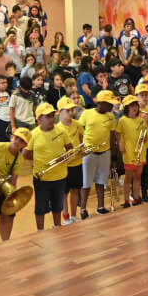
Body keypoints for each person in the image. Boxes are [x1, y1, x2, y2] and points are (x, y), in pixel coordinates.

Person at [0, 127, 28, 242]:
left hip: (6, 184)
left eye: (22, 141)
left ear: (25, 145)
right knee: (2, 215)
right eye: (17, 138)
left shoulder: (19, 159)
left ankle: (6, 240)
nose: (17, 142)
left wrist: (12, 195)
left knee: (10, 214)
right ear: (12, 137)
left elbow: (14, 180)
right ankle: (4, 240)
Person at [29, 103, 69, 230]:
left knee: (58, 206)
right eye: (48, 116)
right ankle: (40, 231)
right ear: (39, 119)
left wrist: (65, 156)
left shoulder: (61, 131)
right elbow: (26, 154)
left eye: (52, 116)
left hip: (60, 176)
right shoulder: (33, 134)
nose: (52, 119)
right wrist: (40, 160)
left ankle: (57, 226)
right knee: (40, 208)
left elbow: (70, 148)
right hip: (42, 178)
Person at [79, 90, 118, 216]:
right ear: (101, 103)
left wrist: (114, 156)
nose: (111, 106)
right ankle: (83, 209)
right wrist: (81, 148)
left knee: (101, 181)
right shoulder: (87, 113)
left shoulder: (111, 117)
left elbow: (112, 137)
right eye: (109, 103)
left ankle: (100, 207)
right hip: (89, 153)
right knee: (86, 183)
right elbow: (79, 131)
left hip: (105, 152)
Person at [56, 96, 85, 224]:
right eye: (67, 110)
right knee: (64, 192)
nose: (71, 112)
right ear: (59, 112)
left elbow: (81, 140)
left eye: (72, 110)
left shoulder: (78, 124)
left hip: (77, 163)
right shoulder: (57, 129)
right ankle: (66, 216)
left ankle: (73, 215)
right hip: (64, 166)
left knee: (75, 190)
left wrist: (82, 150)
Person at [117, 93, 148, 205]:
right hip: (129, 152)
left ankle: (136, 198)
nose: (134, 108)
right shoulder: (122, 120)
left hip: (140, 153)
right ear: (126, 108)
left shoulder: (141, 120)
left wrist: (144, 133)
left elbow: (145, 135)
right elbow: (118, 134)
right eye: (131, 106)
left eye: (135, 105)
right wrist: (120, 144)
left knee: (138, 176)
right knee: (128, 177)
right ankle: (126, 200)